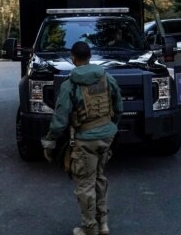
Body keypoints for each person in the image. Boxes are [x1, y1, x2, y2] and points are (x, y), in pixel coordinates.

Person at [42, 41, 123, 235]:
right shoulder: (107, 78)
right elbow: (118, 107)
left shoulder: (70, 84)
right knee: (100, 178)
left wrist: (49, 142)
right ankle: (103, 223)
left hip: (86, 139)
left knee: (85, 183)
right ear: (90, 57)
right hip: (107, 135)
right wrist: (111, 127)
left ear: (73, 59)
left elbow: (60, 119)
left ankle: (90, 227)